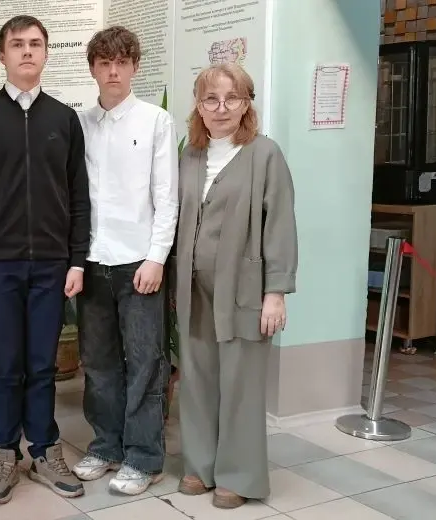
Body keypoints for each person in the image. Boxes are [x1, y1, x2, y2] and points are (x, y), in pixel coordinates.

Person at [0, 14, 91, 504]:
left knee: (41, 364)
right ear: (2, 55)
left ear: (47, 53)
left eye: (35, 43)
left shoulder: (64, 120)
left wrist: (77, 260)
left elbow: (79, 196)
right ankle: (4, 453)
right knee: (7, 364)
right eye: (17, 44)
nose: (27, 51)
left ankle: (45, 450)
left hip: (53, 265)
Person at [174, 62, 297, 509]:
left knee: (241, 383)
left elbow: (280, 225)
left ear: (246, 104)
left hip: (244, 289)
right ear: (199, 105)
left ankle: (238, 475)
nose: (221, 108)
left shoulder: (265, 154)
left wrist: (275, 293)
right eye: (211, 99)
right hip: (192, 289)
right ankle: (200, 465)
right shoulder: (190, 154)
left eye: (232, 98)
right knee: (197, 377)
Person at [70, 25, 178, 496]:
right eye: (104, 63)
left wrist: (156, 258)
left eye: (121, 62)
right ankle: (106, 446)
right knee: (98, 364)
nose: (113, 71)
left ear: (134, 66)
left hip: (139, 264)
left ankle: (144, 457)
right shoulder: (79, 124)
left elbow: (167, 197)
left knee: (145, 363)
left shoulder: (156, 121)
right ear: (93, 69)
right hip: (93, 261)